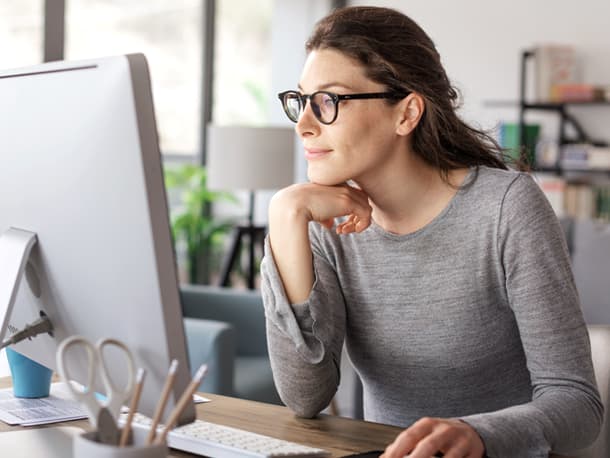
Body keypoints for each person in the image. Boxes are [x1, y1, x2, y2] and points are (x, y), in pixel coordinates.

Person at [260, 6, 603, 458]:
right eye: (301, 100)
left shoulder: (507, 209)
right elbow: (305, 397)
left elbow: (577, 404)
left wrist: (476, 435)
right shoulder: (324, 223)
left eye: (329, 101)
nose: (304, 123)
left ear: (407, 113)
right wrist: (285, 218)